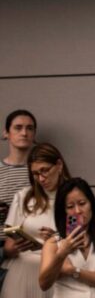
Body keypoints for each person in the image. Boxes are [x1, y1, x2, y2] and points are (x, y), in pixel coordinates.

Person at [0, 142, 71, 298]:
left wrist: (54, 240)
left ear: (59, 165)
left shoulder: (74, 196)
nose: (40, 178)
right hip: (20, 276)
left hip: (55, 275)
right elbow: (10, 233)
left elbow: (83, 240)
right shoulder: (25, 196)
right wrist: (9, 247)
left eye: (44, 171)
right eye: (35, 173)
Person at [0, 109, 37, 260]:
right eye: (18, 127)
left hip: (32, 249)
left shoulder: (42, 172)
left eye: (30, 128)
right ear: (6, 133)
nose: (24, 133)